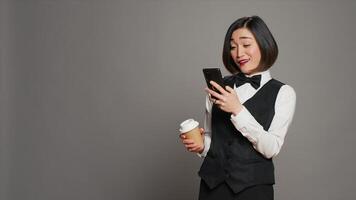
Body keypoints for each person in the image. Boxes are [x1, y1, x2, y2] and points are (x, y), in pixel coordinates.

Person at [179, 16, 296, 200]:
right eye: (233, 47)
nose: (239, 53)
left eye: (246, 44)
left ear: (264, 44)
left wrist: (238, 110)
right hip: (212, 187)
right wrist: (201, 146)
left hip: (254, 190)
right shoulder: (218, 86)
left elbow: (271, 148)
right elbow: (211, 138)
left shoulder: (284, 92)